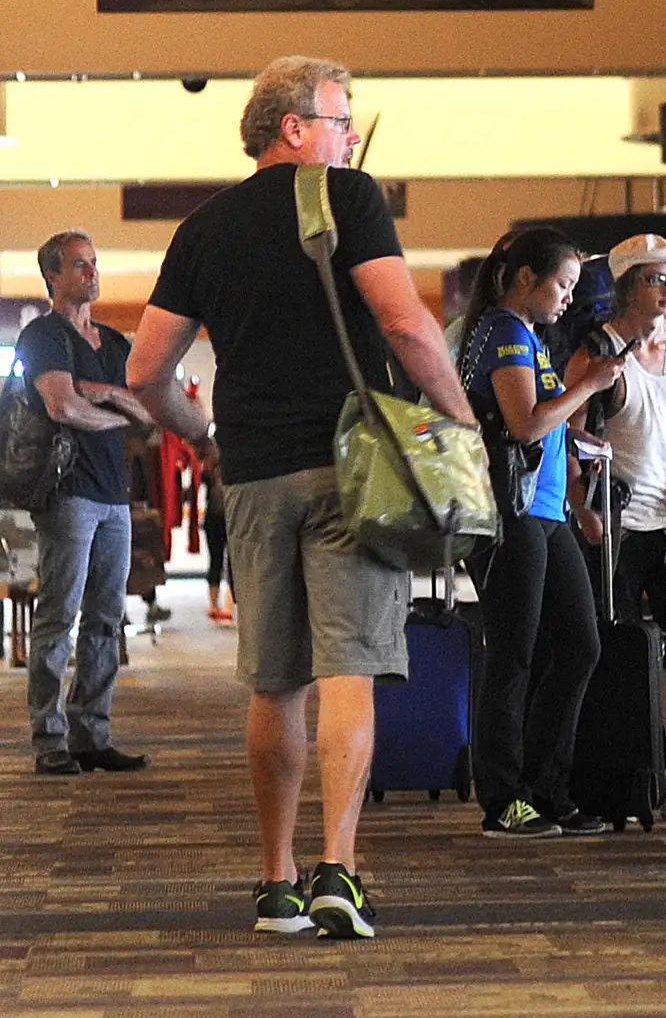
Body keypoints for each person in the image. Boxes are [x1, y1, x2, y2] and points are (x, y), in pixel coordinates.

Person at [128, 55, 480, 939]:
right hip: (349, 472)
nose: (350, 133)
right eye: (339, 117)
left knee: (273, 681)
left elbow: (145, 374)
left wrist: (203, 435)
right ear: (293, 127)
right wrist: (462, 431)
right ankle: (340, 871)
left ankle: (277, 880)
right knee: (349, 669)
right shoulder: (346, 197)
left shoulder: (200, 230)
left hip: (251, 474)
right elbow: (405, 323)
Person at [459, 227, 623, 839]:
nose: (566, 299)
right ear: (525, 278)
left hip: (547, 511)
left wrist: (575, 436)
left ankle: (547, 787)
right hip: (513, 514)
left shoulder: (527, 335)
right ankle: (504, 796)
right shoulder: (503, 333)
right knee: (513, 654)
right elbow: (524, 426)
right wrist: (587, 386)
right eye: (561, 284)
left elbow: (536, 425)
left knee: (580, 644)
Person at [573, 234, 666, 815]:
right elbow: (568, 430)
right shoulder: (599, 349)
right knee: (621, 647)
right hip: (617, 526)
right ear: (629, 285)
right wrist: (584, 507)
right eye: (656, 279)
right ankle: (630, 770)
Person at [22, 231, 151, 776]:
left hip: (113, 498)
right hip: (68, 494)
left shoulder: (117, 345)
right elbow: (64, 407)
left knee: (106, 619)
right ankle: (49, 739)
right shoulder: (44, 336)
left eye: (94, 263)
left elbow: (148, 416)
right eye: (79, 265)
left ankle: (90, 735)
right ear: (54, 276)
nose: (91, 273)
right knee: (58, 617)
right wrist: (110, 409)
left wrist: (110, 395)